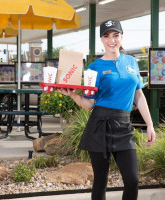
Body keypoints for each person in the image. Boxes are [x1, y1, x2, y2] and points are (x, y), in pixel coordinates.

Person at [58, 19, 156, 200]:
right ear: (101, 40)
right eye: (107, 36)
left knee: (133, 180)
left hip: (124, 126)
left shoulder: (132, 62)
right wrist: (73, 95)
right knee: (101, 181)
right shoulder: (94, 67)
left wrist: (150, 125)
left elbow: (139, 96)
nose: (112, 40)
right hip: (99, 126)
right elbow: (89, 104)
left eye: (115, 35)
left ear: (121, 37)